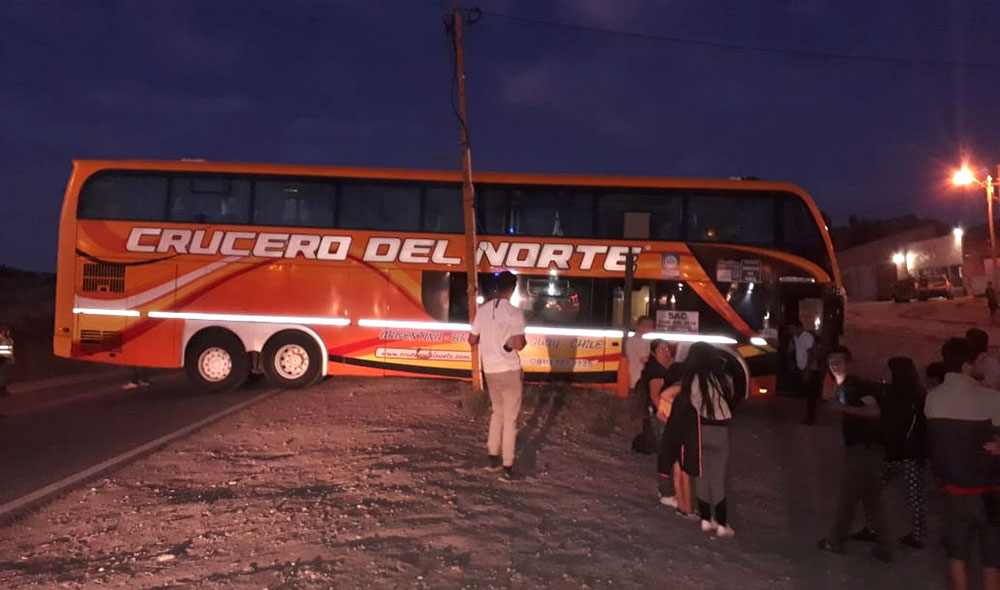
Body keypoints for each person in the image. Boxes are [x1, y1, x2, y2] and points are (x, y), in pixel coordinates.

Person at [924, 337, 1000, 590]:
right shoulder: (991, 398)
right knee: (992, 559)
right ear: (968, 364)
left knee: (957, 555)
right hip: (991, 491)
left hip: (953, 489)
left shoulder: (932, 399)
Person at [817, 345, 893, 563]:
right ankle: (884, 547)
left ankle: (836, 540)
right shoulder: (842, 386)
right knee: (871, 499)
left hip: (863, 450)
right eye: (832, 362)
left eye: (840, 361)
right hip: (868, 449)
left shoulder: (856, 385)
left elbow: (874, 410)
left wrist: (842, 409)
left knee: (848, 498)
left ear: (849, 363)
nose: (835, 365)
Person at [663, 342, 739, 537]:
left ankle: (706, 519)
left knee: (702, 475)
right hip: (720, 430)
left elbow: (674, 398)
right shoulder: (724, 378)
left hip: (699, 430)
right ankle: (722, 524)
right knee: (718, 478)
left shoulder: (690, 379)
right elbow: (732, 398)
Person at [851, 357, 928, 549]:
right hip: (912, 452)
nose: (884, 373)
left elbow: (886, 423)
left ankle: (872, 528)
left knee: (871, 488)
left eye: (887, 369)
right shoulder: (919, 396)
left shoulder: (891, 396)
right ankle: (917, 534)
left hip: (893, 451)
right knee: (913, 494)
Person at [468, 271, 526, 481]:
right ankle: (507, 467)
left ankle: (493, 457)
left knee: (497, 412)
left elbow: (471, 340)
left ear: (496, 287)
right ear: (512, 289)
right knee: (510, 419)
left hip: (490, 370)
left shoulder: (482, 310)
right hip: (509, 369)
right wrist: (513, 342)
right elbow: (518, 344)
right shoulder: (514, 313)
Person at [639, 340, 692, 517]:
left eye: (668, 349)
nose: (666, 352)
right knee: (667, 455)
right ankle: (667, 494)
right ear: (654, 353)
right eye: (661, 350)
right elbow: (657, 397)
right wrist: (667, 417)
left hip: (662, 417)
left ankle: (669, 493)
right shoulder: (656, 372)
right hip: (662, 418)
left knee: (668, 455)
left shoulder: (661, 368)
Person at [625, 316, 656, 451]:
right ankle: (644, 443)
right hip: (642, 381)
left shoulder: (630, 340)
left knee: (639, 412)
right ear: (644, 326)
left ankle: (641, 442)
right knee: (644, 414)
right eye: (651, 326)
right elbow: (645, 359)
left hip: (635, 380)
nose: (653, 329)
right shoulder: (642, 341)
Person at [789, 319, 820, 425]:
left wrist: (807, 370)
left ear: (800, 327)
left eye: (793, 328)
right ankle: (809, 415)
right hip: (802, 367)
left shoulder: (807, 337)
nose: (791, 331)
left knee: (810, 396)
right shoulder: (796, 337)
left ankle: (811, 418)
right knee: (807, 394)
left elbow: (811, 354)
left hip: (810, 369)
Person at [0, 325, 13, 397]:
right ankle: (2, 390)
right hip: (1, 358)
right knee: (2, 375)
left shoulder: (9, 339)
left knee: (4, 375)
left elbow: (9, 349)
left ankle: (3, 390)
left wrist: (11, 358)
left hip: (5, 359)